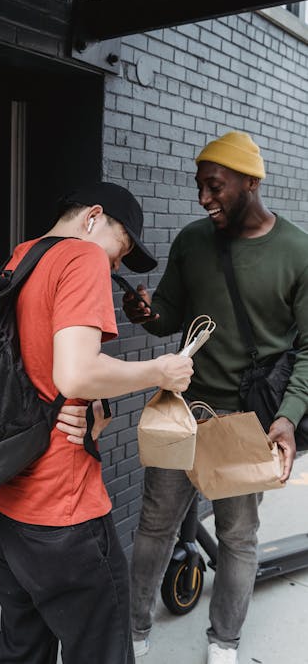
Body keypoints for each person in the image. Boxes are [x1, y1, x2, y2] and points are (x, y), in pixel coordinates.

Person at [0, 181, 194, 664]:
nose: (115, 265)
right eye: (122, 250)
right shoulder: (82, 256)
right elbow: (74, 370)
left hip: (0, 499)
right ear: (93, 217)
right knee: (102, 649)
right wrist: (160, 370)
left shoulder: (22, 257)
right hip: (61, 508)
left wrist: (94, 407)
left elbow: (29, 369)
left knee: (21, 643)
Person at [124, 131, 308, 664]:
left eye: (215, 186)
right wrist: (145, 314)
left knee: (237, 537)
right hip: (180, 410)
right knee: (154, 528)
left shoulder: (297, 252)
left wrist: (289, 419)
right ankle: (134, 632)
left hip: (244, 423)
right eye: (199, 186)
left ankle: (223, 643)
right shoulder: (191, 241)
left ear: (251, 182)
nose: (203, 198)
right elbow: (167, 316)